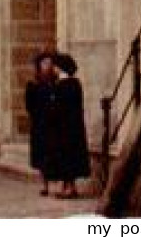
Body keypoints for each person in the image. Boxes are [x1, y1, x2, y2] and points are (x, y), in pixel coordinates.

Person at [52, 54, 92, 199]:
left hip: (67, 127)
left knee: (68, 157)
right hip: (70, 126)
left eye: (56, 66)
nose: (54, 69)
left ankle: (69, 187)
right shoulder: (72, 83)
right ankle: (67, 186)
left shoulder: (66, 84)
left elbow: (62, 107)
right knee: (66, 157)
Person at [26, 52, 60, 197]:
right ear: (39, 67)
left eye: (49, 63)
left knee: (53, 154)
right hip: (40, 124)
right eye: (45, 63)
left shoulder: (55, 84)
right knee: (41, 156)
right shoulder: (33, 85)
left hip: (53, 124)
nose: (48, 66)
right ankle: (44, 184)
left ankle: (56, 182)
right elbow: (29, 105)